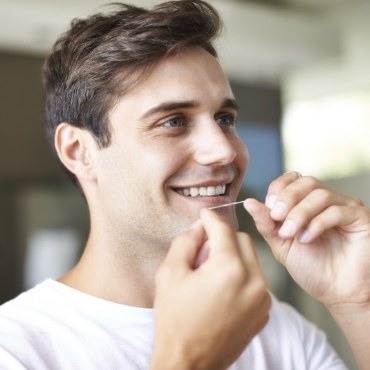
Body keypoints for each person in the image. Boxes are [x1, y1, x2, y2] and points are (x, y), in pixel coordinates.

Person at [0, 1, 369, 369]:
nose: (224, 151)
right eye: (173, 121)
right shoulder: (15, 349)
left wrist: (357, 302)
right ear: (79, 151)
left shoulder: (276, 326)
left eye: (225, 118)